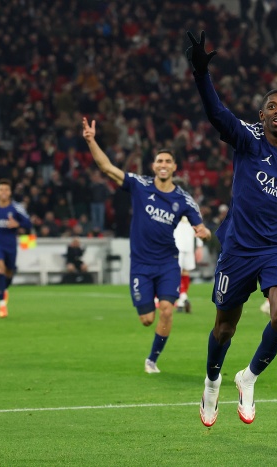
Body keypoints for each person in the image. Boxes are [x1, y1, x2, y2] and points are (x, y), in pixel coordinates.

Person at [187, 31, 277, 426]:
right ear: (262, 116)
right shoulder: (249, 139)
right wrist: (201, 74)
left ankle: (248, 377)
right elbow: (217, 114)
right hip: (238, 248)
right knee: (224, 328)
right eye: (271, 106)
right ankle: (212, 381)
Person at [83, 118, 211, 375]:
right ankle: (149, 306)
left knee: (167, 311)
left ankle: (152, 359)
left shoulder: (184, 199)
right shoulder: (139, 186)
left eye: (168, 161)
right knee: (146, 320)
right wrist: (90, 140)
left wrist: (204, 233)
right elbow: (106, 167)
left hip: (167, 263)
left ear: (174, 167)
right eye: (159, 161)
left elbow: (203, 229)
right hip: (141, 264)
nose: (163, 165)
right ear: (153, 166)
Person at [0, 179, 33, 318]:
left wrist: (18, 224)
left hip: (11, 244)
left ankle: (4, 290)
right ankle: (2, 305)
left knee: (9, 273)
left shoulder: (16, 208)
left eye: (6, 189)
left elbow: (28, 223)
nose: (3, 192)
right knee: (0, 269)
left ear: (10, 192)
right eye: (1, 189)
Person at [173, 214, 204, 313]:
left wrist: (199, 246)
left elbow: (199, 226)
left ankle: (181, 299)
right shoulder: (172, 206)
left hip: (187, 245)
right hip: (177, 245)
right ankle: (182, 299)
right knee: (177, 273)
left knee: (184, 272)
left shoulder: (193, 208)